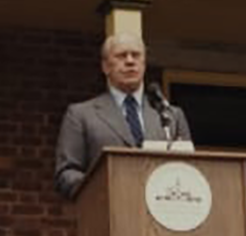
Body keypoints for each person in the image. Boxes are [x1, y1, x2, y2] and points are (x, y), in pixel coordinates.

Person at [54, 32, 193, 198]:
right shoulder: (81, 115)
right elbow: (67, 174)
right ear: (105, 67)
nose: (130, 61)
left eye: (136, 55)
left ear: (144, 63)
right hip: (107, 207)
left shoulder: (171, 116)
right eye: (121, 56)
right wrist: (104, 188)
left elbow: (190, 170)